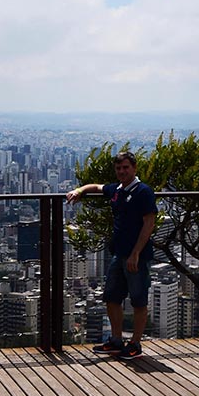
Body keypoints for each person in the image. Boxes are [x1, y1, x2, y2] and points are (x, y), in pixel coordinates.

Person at [66, 151, 157, 359]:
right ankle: (116, 340)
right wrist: (79, 190)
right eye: (118, 168)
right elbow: (96, 187)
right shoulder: (116, 190)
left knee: (138, 300)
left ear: (134, 168)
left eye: (126, 167)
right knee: (111, 297)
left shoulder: (144, 191)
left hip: (137, 256)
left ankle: (135, 344)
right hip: (118, 254)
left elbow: (149, 224)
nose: (122, 171)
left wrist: (136, 253)